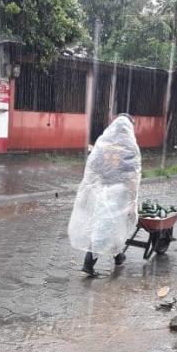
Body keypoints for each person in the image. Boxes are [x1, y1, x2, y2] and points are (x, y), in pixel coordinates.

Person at [68, 114, 142, 276]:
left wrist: (91, 189)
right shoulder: (131, 149)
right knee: (104, 228)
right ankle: (88, 264)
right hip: (120, 194)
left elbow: (93, 167)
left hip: (102, 192)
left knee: (111, 225)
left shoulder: (104, 144)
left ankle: (118, 256)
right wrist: (132, 202)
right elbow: (133, 178)